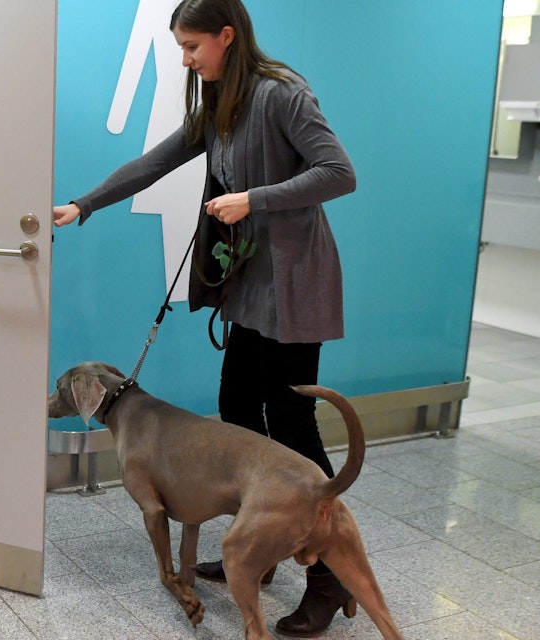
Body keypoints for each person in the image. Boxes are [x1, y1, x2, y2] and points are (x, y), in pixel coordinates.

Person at [52, 0, 356, 636]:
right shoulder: (218, 104)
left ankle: (330, 580)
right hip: (248, 282)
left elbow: (339, 173)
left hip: (296, 286)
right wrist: (84, 205)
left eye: (193, 47)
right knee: (239, 407)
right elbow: (153, 163)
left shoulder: (283, 96)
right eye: (180, 47)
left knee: (292, 419)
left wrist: (254, 199)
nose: (185, 59)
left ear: (227, 36)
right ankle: (265, 543)